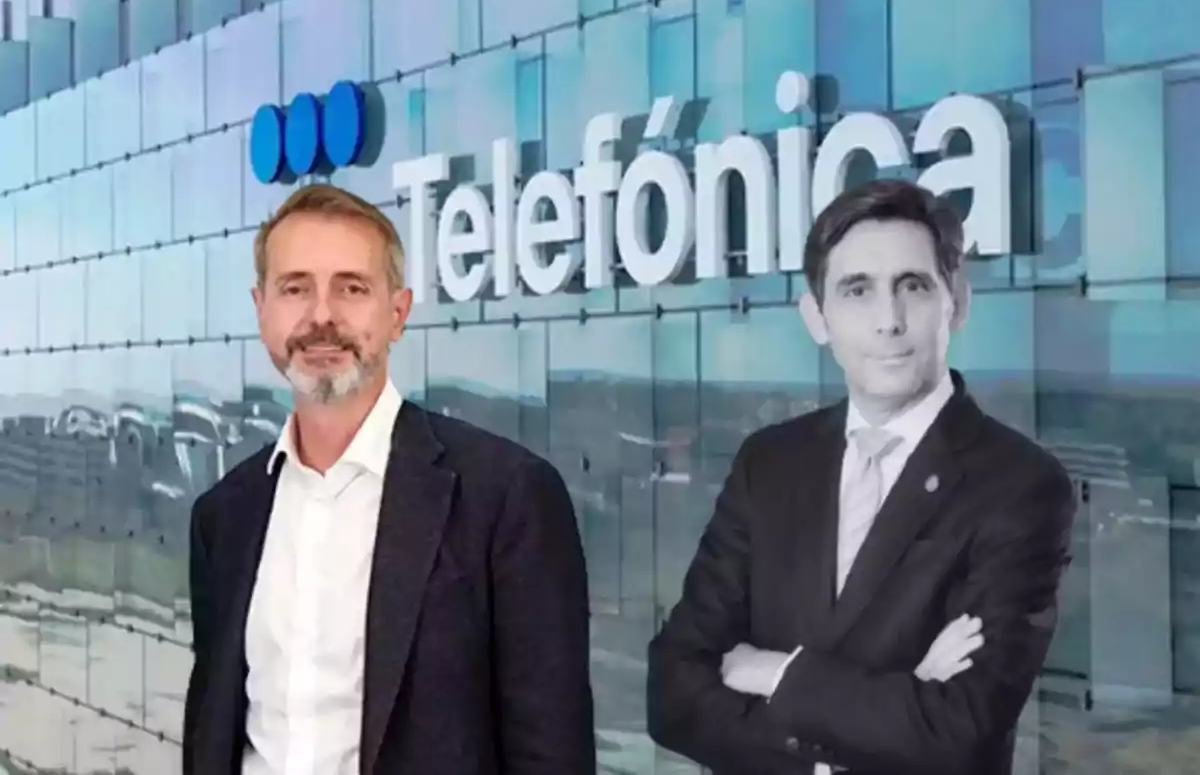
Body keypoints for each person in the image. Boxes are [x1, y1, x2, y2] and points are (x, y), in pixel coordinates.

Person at [646, 179, 1076, 775]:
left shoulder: (1020, 485)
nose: (888, 321)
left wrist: (769, 672)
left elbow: (956, 728)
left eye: (914, 286)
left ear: (958, 300)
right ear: (817, 318)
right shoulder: (769, 464)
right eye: (857, 291)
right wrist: (869, 721)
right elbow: (672, 690)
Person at [182, 184, 596, 775]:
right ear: (262, 309)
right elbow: (212, 726)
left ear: (397, 313)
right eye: (295, 288)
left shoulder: (506, 498)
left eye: (352, 288)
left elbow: (551, 754)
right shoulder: (224, 516)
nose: (322, 315)